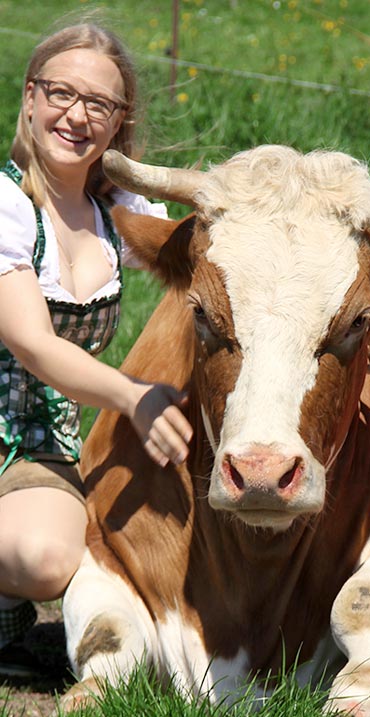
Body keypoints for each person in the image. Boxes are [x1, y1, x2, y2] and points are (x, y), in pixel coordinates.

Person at [0, 22, 192, 677]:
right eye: (61, 93)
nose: (76, 115)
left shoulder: (115, 211)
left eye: (99, 105)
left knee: (47, 558)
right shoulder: (6, 203)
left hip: (38, 447)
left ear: (118, 124)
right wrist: (132, 395)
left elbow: (205, 237)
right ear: (29, 98)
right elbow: (32, 344)